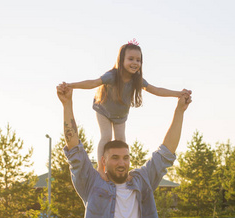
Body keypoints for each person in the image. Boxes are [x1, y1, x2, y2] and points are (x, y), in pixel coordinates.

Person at [56, 83, 191, 218]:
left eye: (126, 157)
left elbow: (166, 152)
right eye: (115, 158)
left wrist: (179, 111)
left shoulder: (141, 182)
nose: (122, 163)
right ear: (104, 161)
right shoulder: (92, 184)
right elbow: (74, 149)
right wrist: (67, 104)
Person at [58, 40, 191, 179]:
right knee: (106, 136)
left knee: (121, 140)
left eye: (138, 60)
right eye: (131, 59)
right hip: (103, 109)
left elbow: (156, 90)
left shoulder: (137, 80)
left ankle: (122, 171)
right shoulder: (112, 76)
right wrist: (71, 85)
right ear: (121, 60)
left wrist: (178, 93)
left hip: (120, 115)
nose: (135, 63)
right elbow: (93, 83)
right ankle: (101, 169)